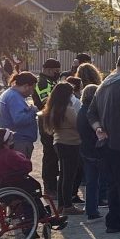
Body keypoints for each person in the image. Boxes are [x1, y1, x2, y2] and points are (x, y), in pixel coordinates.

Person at [88, 54, 120, 236]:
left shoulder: (102, 86)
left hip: (107, 145)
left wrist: (98, 129)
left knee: (113, 185)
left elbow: (91, 113)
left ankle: (114, 222)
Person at [41, 83, 83, 216]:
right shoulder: (68, 109)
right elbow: (78, 125)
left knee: (63, 174)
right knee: (69, 176)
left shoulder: (52, 109)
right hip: (71, 143)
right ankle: (68, 205)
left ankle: (61, 205)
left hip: (58, 142)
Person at [33, 58, 62, 197]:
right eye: (56, 71)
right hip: (46, 121)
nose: (58, 73)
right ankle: (49, 187)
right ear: (49, 70)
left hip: (52, 121)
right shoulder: (42, 83)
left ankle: (52, 184)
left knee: (54, 154)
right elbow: (45, 102)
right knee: (50, 154)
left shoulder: (51, 81)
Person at [0, 72, 39, 158]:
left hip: (15, 140)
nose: (32, 92)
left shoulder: (10, 94)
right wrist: (33, 111)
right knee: (20, 169)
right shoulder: (14, 97)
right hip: (19, 142)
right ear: (26, 86)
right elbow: (19, 120)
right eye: (32, 89)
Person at [76, 85, 103, 222]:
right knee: (94, 181)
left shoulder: (82, 110)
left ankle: (91, 208)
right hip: (94, 150)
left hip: (85, 149)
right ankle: (93, 210)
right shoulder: (91, 113)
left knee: (91, 181)